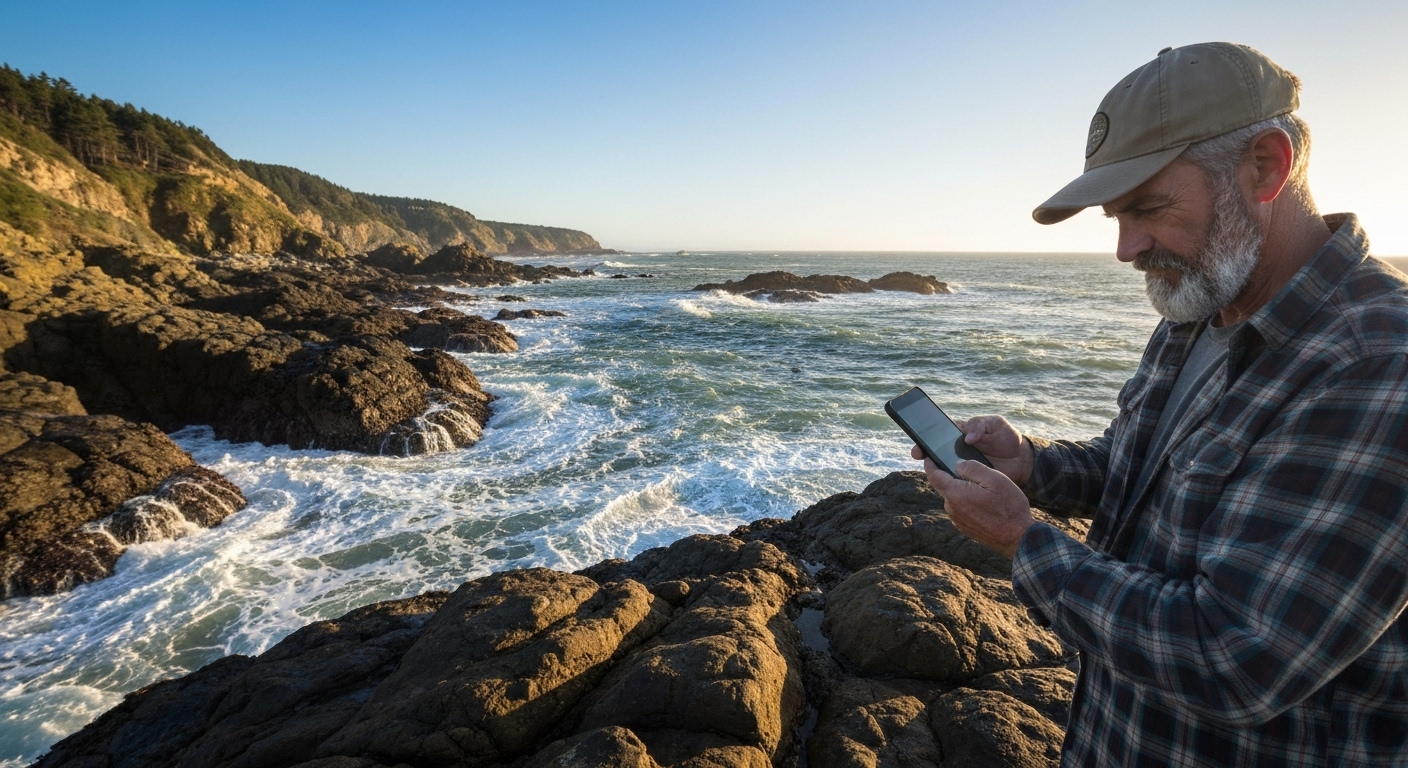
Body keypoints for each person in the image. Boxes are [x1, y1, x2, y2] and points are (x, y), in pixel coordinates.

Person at [913, 42, 1408, 766]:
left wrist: (1023, 540)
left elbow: (1234, 657)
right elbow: (1135, 469)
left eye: (1148, 208)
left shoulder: (1377, 366)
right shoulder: (1198, 308)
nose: (1126, 248)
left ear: (1267, 166)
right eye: (1117, 216)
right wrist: (1032, 467)